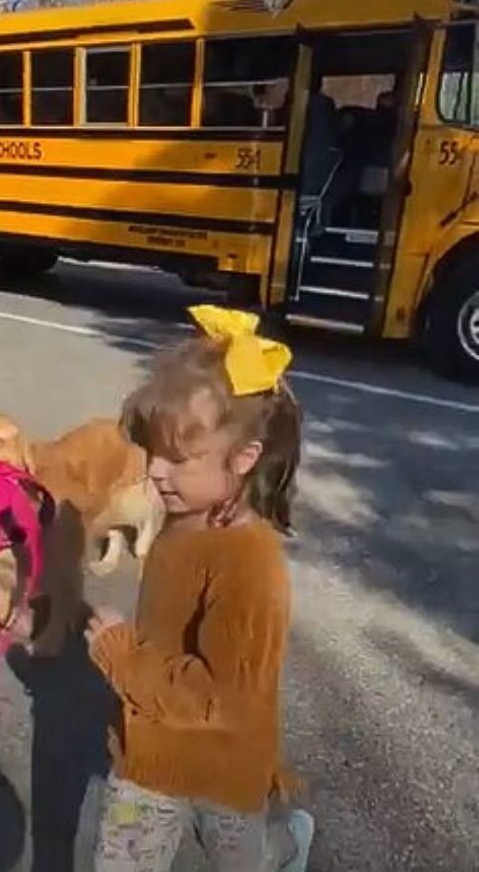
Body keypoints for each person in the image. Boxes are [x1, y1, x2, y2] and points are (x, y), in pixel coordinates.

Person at [85, 305, 314, 872]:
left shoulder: (251, 562)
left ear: (244, 458)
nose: (156, 472)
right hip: (150, 760)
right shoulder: (184, 514)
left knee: (245, 861)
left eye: (178, 458)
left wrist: (121, 657)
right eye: (154, 451)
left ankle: (288, 844)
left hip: (225, 766)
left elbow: (222, 697)